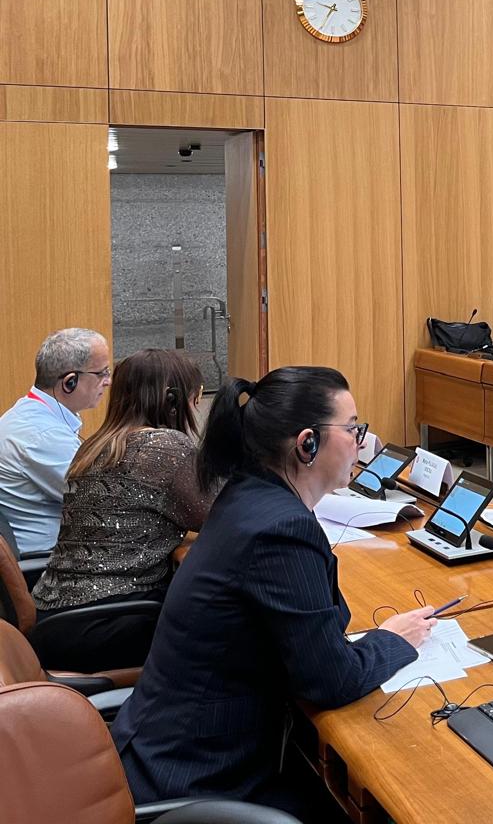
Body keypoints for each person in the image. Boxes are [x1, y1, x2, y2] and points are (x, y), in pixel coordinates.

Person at [112, 366, 437, 813]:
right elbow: (332, 680)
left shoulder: (248, 495)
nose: (361, 442)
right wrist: (394, 641)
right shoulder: (281, 530)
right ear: (307, 443)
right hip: (196, 778)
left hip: (163, 746)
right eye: (352, 428)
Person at [31, 350, 216, 671]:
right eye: (195, 395)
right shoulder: (164, 446)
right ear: (173, 401)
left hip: (56, 621)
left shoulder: (93, 446)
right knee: (229, 627)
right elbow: (220, 516)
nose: (196, 405)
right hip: (106, 622)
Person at [0, 328, 112, 554]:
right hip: (48, 562)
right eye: (101, 373)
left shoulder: (30, 414)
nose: (108, 381)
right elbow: (103, 503)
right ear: (70, 382)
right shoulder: (42, 435)